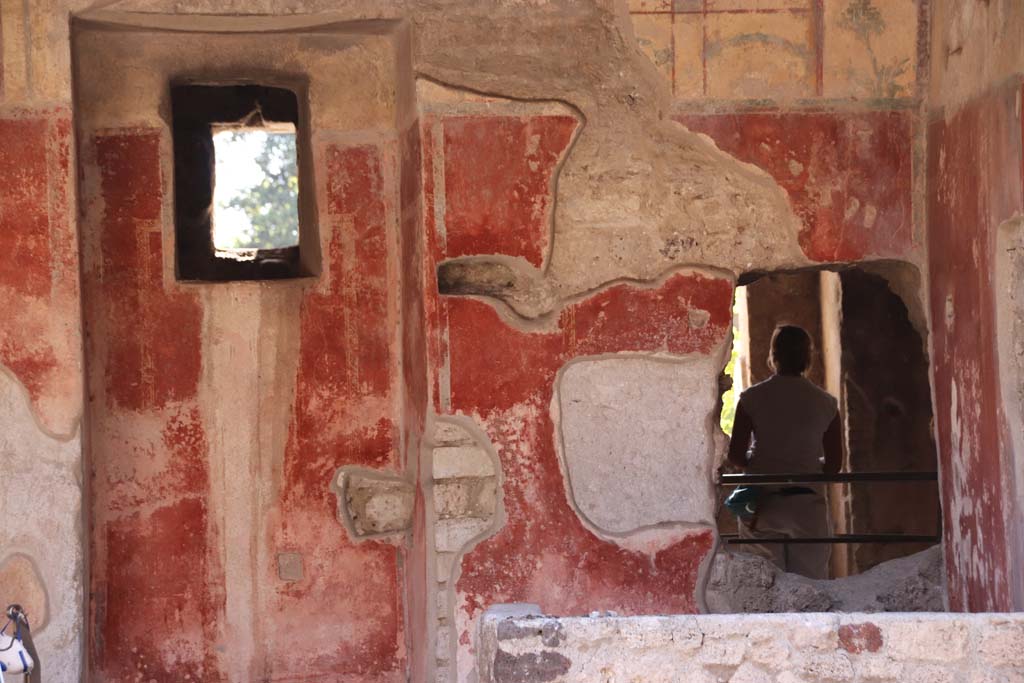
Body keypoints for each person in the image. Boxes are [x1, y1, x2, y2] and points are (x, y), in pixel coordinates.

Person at [726, 325, 842, 579]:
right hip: (807, 506)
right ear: (808, 358)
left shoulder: (751, 399)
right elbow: (833, 466)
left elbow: (735, 456)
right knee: (812, 584)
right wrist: (804, 466)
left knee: (765, 582)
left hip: (763, 503)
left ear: (772, 356)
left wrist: (760, 464)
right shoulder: (827, 403)